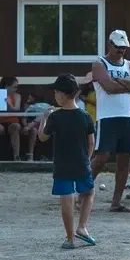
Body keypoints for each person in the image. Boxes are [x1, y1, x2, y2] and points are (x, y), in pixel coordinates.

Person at [38, 74, 97, 249]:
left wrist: (44, 118)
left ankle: (70, 238)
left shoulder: (55, 117)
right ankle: (82, 227)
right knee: (88, 193)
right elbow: (91, 142)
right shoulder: (85, 116)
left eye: (56, 92)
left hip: (62, 164)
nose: (54, 95)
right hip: (81, 162)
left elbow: (42, 137)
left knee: (66, 199)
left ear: (62, 94)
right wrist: (87, 158)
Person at [90, 30, 130, 213]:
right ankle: (80, 194)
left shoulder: (129, 65)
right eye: (118, 47)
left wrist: (120, 81)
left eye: (123, 47)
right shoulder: (99, 64)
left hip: (128, 117)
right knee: (101, 158)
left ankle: (116, 201)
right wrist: (129, 85)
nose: (121, 50)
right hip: (107, 118)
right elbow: (108, 87)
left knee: (124, 161)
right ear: (109, 45)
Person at [0, 77, 39, 161]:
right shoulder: (0, 95)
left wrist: (8, 103)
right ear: (6, 86)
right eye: (14, 87)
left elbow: (16, 108)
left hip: (13, 121)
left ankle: (16, 156)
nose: (16, 89)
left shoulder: (17, 96)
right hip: (1, 121)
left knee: (15, 126)